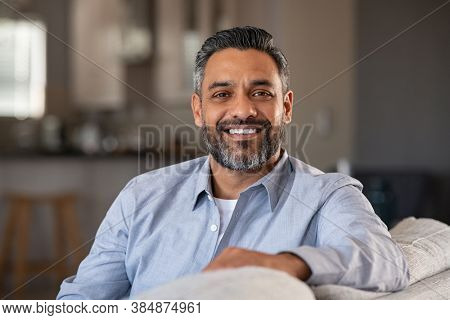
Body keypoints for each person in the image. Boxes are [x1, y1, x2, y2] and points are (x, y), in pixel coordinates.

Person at [57, 26, 409, 299]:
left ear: (285, 107)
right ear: (198, 109)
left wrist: (283, 263)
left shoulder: (327, 195)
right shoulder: (141, 195)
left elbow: (387, 261)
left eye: (260, 93)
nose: (242, 110)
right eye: (222, 94)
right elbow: (82, 301)